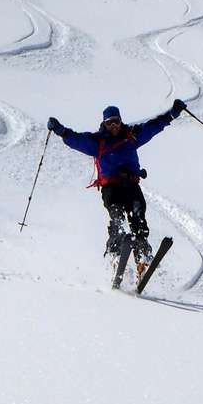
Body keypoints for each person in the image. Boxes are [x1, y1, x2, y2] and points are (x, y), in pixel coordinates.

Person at [48, 100, 187, 277]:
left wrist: (173, 113)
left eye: (116, 121)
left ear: (121, 121)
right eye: (109, 123)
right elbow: (77, 140)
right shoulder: (97, 142)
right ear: (104, 124)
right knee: (117, 216)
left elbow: (152, 127)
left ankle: (142, 256)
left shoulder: (131, 136)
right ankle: (115, 255)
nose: (113, 126)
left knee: (138, 215)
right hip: (111, 187)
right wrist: (60, 130)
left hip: (131, 185)